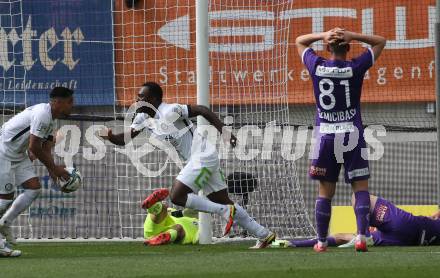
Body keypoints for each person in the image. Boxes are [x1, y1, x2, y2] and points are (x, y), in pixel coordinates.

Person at [100, 82, 275, 248]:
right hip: (199, 159)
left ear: (152, 99)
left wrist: (224, 131)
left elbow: (202, 110)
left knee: (177, 196)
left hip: (203, 156)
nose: (137, 100)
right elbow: (125, 139)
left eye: (141, 97)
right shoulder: (143, 117)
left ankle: (223, 211)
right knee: (224, 201)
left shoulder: (170, 111)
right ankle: (264, 234)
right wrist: (111, 137)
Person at [295, 28, 386, 252]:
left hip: (326, 135)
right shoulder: (355, 67)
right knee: (360, 188)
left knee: (325, 192)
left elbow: (299, 41)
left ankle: (321, 241)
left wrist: (322, 34)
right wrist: (353, 35)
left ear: (327, 47)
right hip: (352, 134)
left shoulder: (317, 66)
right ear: (348, 47)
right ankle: (362, 237)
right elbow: (380, 41)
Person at [0, 87, 73, 256]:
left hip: (17, 154)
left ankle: (4, 223)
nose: (72, 106)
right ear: (58, 102)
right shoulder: (43, 115)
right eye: (70, 102)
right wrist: (55, 168)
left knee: (33, 188)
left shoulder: (50, 118)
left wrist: (52, 171)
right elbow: (34, 147)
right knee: (5, 199)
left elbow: (44, 147)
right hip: (3, 151)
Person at [274, 194, 440, 248]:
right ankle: (362, 234)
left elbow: (338, 237)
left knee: (358, 196)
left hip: (402, 229)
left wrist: (295, 242)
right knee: (352, 237)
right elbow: (339, 237)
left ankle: (363, 233)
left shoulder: (380, 238)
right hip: (410, 233)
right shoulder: (381, 237)